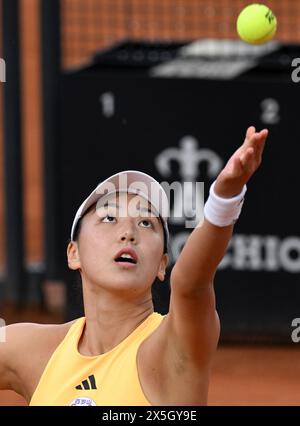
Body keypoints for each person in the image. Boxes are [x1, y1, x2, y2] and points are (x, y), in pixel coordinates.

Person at [0, 126, 268, 406]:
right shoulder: (35, 351)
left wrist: (224, 197)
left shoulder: (170, 349)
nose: (128, 232)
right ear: (73, 253)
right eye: (109, 218)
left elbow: (191, 284)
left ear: (162, 265)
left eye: (145, 223)